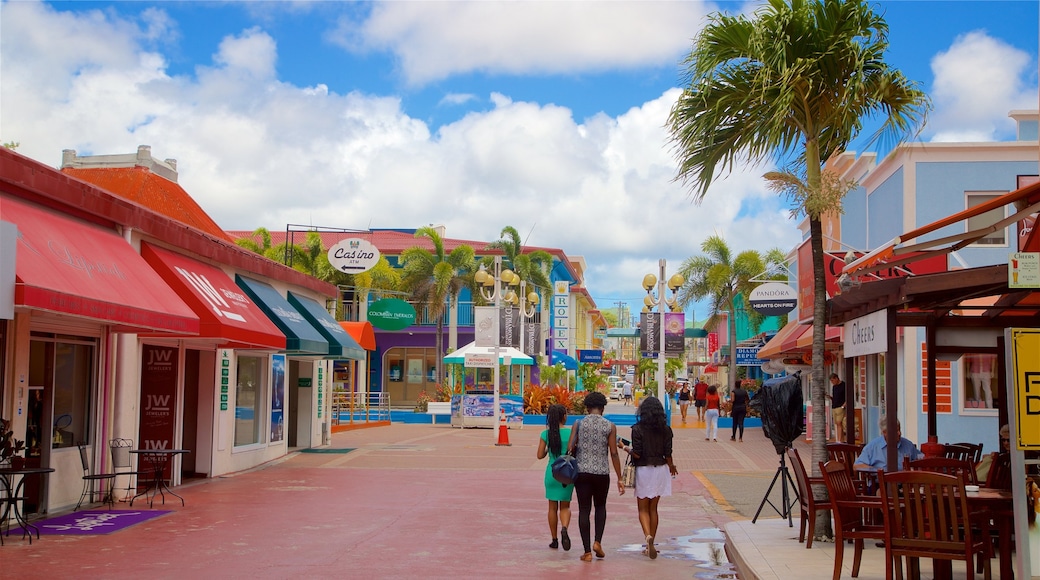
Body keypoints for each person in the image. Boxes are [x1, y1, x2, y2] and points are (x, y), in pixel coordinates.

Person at [566, 391, 625, 562]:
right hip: (601, 473)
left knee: (584, 509)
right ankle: (598, 542)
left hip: (582, 472)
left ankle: (587, 552)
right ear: (602, 407)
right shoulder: (610, 426)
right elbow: (614, 453)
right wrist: (620, 478)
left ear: (587, 407)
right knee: (600, 507)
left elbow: (570, 448)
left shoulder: (578, 423)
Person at [619, 396, 678, 559]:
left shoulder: (637, 429)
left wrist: (624, 447)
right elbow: (668, 453)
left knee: (643, 508)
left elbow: (637, 453)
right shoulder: (666, 429)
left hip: (644, 470)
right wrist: (672, 466)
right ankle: (652, 540)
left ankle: (648, 538)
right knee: (654, 508)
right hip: (660, 470)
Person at [536, 404, 573, 551]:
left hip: (552, 472)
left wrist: (548, 451)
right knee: (565, 505)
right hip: (567, 472)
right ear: (564, 416)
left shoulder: (546, 434)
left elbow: (539, 455)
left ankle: (554, 539)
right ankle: (564, 527)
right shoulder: (571, 433)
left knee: (552, 507)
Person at [853, 416, 922, 473]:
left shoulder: (907, 444)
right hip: (881, 483)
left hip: (904, 484)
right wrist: (877, 471)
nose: (899, 433)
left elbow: (921, 458)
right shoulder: (873, 447)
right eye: (896, 431)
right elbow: (857, 466)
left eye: (899, 430)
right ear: (885, 432)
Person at [826, 373, 847, 443]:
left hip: (840, 407)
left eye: (833, 380)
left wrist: (843, 406)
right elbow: (835, 397)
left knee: (839, 423)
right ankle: (841, 439)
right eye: (831, 381)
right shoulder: (834, 387)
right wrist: (830, 397)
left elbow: (848, 396)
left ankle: (839, 440)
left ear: (836, 378)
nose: (832, 382)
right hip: (834, 406)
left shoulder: (844, 385)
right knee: (837, 423)